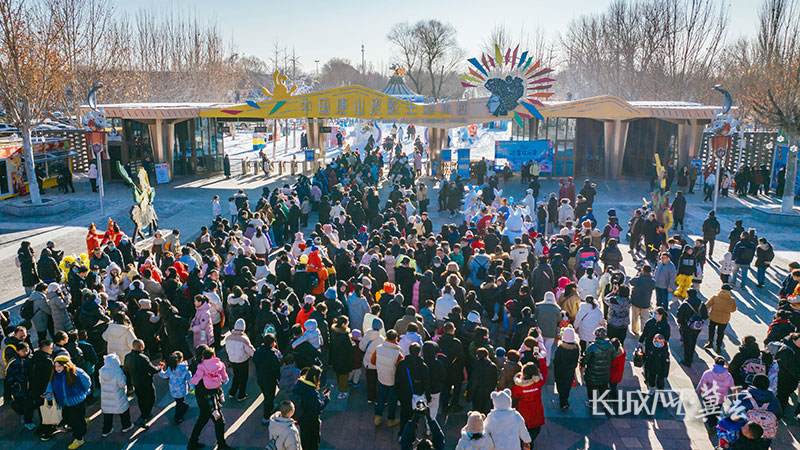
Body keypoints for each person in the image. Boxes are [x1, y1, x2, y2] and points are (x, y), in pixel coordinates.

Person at [188, 346, 231, 450]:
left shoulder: (195, 364)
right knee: (219, 421)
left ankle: (192, 443)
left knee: (202, 420)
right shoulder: (204, 366)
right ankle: (221, 445)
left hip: (201, 397)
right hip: (210, 397)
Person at [46, 354, 92, 449]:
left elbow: (87, 381)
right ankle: (82, 422)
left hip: (77, 401)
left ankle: (79, 439)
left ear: (66, 365)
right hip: (64, 403)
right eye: (56, 366)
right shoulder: (55, 375)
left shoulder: (77, 372)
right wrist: (48, 396)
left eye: (59, 366)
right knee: (72, 418)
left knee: (77, 421)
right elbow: (50, 385)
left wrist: (85, 391)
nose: (57, 369)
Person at [290, 365, 330, 450]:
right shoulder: (311, 391)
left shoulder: (300, 384)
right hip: (310, 421)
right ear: (315, 377)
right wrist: (326, 398)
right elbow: (318, 407)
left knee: (304, 440)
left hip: (301, 418)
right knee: (312, 443)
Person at [124, 339, 159, 428]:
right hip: (146, 382)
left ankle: (145, 414)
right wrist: (159, 367)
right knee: (151, 399)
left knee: (141, 400)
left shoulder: (127, 357)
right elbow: (152, 369)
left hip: (136, 382)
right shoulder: (143, 358)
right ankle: (143, 417)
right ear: (142, 347)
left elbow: (126, 370)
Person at [512, 358, 548, 444]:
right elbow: (544, 371)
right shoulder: (539, 382)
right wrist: (541, 359)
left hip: (523, 410)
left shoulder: (519, 385)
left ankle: (524, 442)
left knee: (523, 428)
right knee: (535, 430)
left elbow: (515, 395)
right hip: (536, 410)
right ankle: (530, 443)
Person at [372, 329, 403, 427]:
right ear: (396, 339)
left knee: (381, 398)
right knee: (392, 400)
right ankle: (390, 420)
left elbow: (372, 361)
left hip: (381, 377)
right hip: (392, 380)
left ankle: (378, 417)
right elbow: (400, 369)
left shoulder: (378, 348)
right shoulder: (398, 354)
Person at [581, 327, 615, 412]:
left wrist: (582, 364)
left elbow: (585, 359)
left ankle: (592, 403)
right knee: (603, 389)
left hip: (592, 373)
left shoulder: (592, 347)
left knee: (591, 389)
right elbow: (613, 356)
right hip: (604, 373)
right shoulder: (610, 346)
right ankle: (604, 404)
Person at [99, 353, 133, 436]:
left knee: (108, 414)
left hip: (106, 397)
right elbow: (122, 384)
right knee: (123, 411)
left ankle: (106, 430)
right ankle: (126, 426)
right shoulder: (118, 372)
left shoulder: (102, 371)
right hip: (117, 396)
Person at [696, 356, 734, 431]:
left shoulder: (708, 373)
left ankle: (710, 422)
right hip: (720, 397)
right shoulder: (728, 375)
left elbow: (702, 383)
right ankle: (713, 424)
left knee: (708, 409)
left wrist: (699, 390)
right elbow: (732, 386)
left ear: (715, 363)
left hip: (709, 396)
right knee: (717, 410)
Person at [639, 307, 670, 395]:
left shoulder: (665, 325)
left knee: (660, 373)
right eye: (654, 313)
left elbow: (667, 338)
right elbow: (645, 333)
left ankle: (660, 390)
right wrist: (641, 341)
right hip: (649, 348)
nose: (654, 315)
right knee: (650, 368)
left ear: (661, 315)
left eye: (656, 313)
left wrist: (659, 342)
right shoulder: (650, 322)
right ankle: (650, 384)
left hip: (661, 351)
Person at [253, 333, 282, 423]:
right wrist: (279, 379)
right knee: (269, 397)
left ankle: (271, 406)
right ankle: (266, 416)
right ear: (272, 343)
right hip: (270, 379)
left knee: (266, 394)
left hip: (260, 377)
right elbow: (276, 368)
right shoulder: (273, 354)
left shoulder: (258, 351)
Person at [225, 318, 255, 401]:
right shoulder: (244, 339)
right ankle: (241, 395)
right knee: (243, 378)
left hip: (232, 360)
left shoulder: (228, 338)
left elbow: (227, 350)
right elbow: (251, 351)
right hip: (242, 361)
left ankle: (232, 393)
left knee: (236, 376)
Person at [158, 351, 192, 423]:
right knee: (179, 403)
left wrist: (160, 369)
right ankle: (177, 418)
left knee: (179, 401)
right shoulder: (184, 369)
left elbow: (164, 375)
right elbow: (189, 379)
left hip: (173, 390)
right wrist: (192, 387)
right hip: (182, 390)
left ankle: (184, 406)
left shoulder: (170, 368)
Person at [676, 288, 708, 366]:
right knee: (693, 341)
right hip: (697, 327)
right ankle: (691, 355)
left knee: (687, 343)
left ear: (688, 294)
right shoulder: (701, 304)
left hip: (686, 327)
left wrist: (681, 323)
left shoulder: (685, 304)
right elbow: (705, 316)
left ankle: (687, 360)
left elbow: (679, 315)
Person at [704, 284, 737, 353]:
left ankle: (710, 342)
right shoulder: (732, 300)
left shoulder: (715, 297)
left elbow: (707, 305)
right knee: (720, 332)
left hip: (713, 317)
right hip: (724, 319)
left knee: (711, 330)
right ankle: (718, 346)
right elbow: (733, 310)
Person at [466, 347, 497, 414]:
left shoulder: (477, 366)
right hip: (489, 393)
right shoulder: (493, 366)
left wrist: (469, 395)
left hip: (478, 394)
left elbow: (474, 382)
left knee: (477, 412)